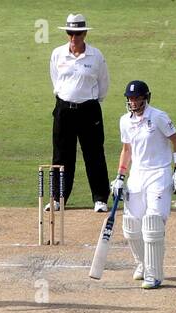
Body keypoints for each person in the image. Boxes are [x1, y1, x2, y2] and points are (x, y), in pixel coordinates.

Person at [111, 80, 176, 288]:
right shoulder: (125, 121)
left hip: (159, 174)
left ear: (146, 98)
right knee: (131, 224)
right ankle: (142, 264)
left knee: (152, 222)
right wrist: (120, 176)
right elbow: (127, 150)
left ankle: (154, 275)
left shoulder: (159, 117)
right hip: (137, 175)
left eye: (137, 98)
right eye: (130, 98)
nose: (133, 102)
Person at [48, 13, 111, 212]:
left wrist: (89, 100)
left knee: (94, 154)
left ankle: (100, 198)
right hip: (64, 110)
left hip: (89, 110)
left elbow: (104, 84)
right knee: (61, 155)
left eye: (78, 33)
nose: (74, 38)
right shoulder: (58, 53)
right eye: (70, 33)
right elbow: (55, 79)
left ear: (84, 33)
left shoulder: (96, 55)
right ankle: (58, 198)